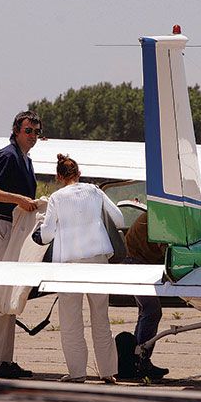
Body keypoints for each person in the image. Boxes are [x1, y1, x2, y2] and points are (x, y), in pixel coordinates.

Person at [38, 154, 123, 383]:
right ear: (79, 173)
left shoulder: (56, 197)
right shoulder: (95, 191)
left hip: (69, 264)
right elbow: (120, 218)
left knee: (71, 321)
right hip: (97, 260)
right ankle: (108, 372)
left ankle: (77, 373)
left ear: (58, 176)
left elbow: (46, 235)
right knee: (101, 318)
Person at [0, 110, 41, 379]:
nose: (33, 136)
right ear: (16, 130)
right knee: (2, 294)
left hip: (14, 228)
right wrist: (17, 198)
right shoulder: (7, 155)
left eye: (37, 132)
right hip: (1, 226)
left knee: (10, 295)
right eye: (28, 131)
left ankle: (3, 360)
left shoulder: (25, 159)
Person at [118, 212, 170, 380]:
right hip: (135, 264)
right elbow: (166, 248)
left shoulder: (154, 216)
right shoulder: (160, 219)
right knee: (151, 311)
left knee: (146, 312)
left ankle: (138, 359)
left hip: (135, 263)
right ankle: (141, 360)